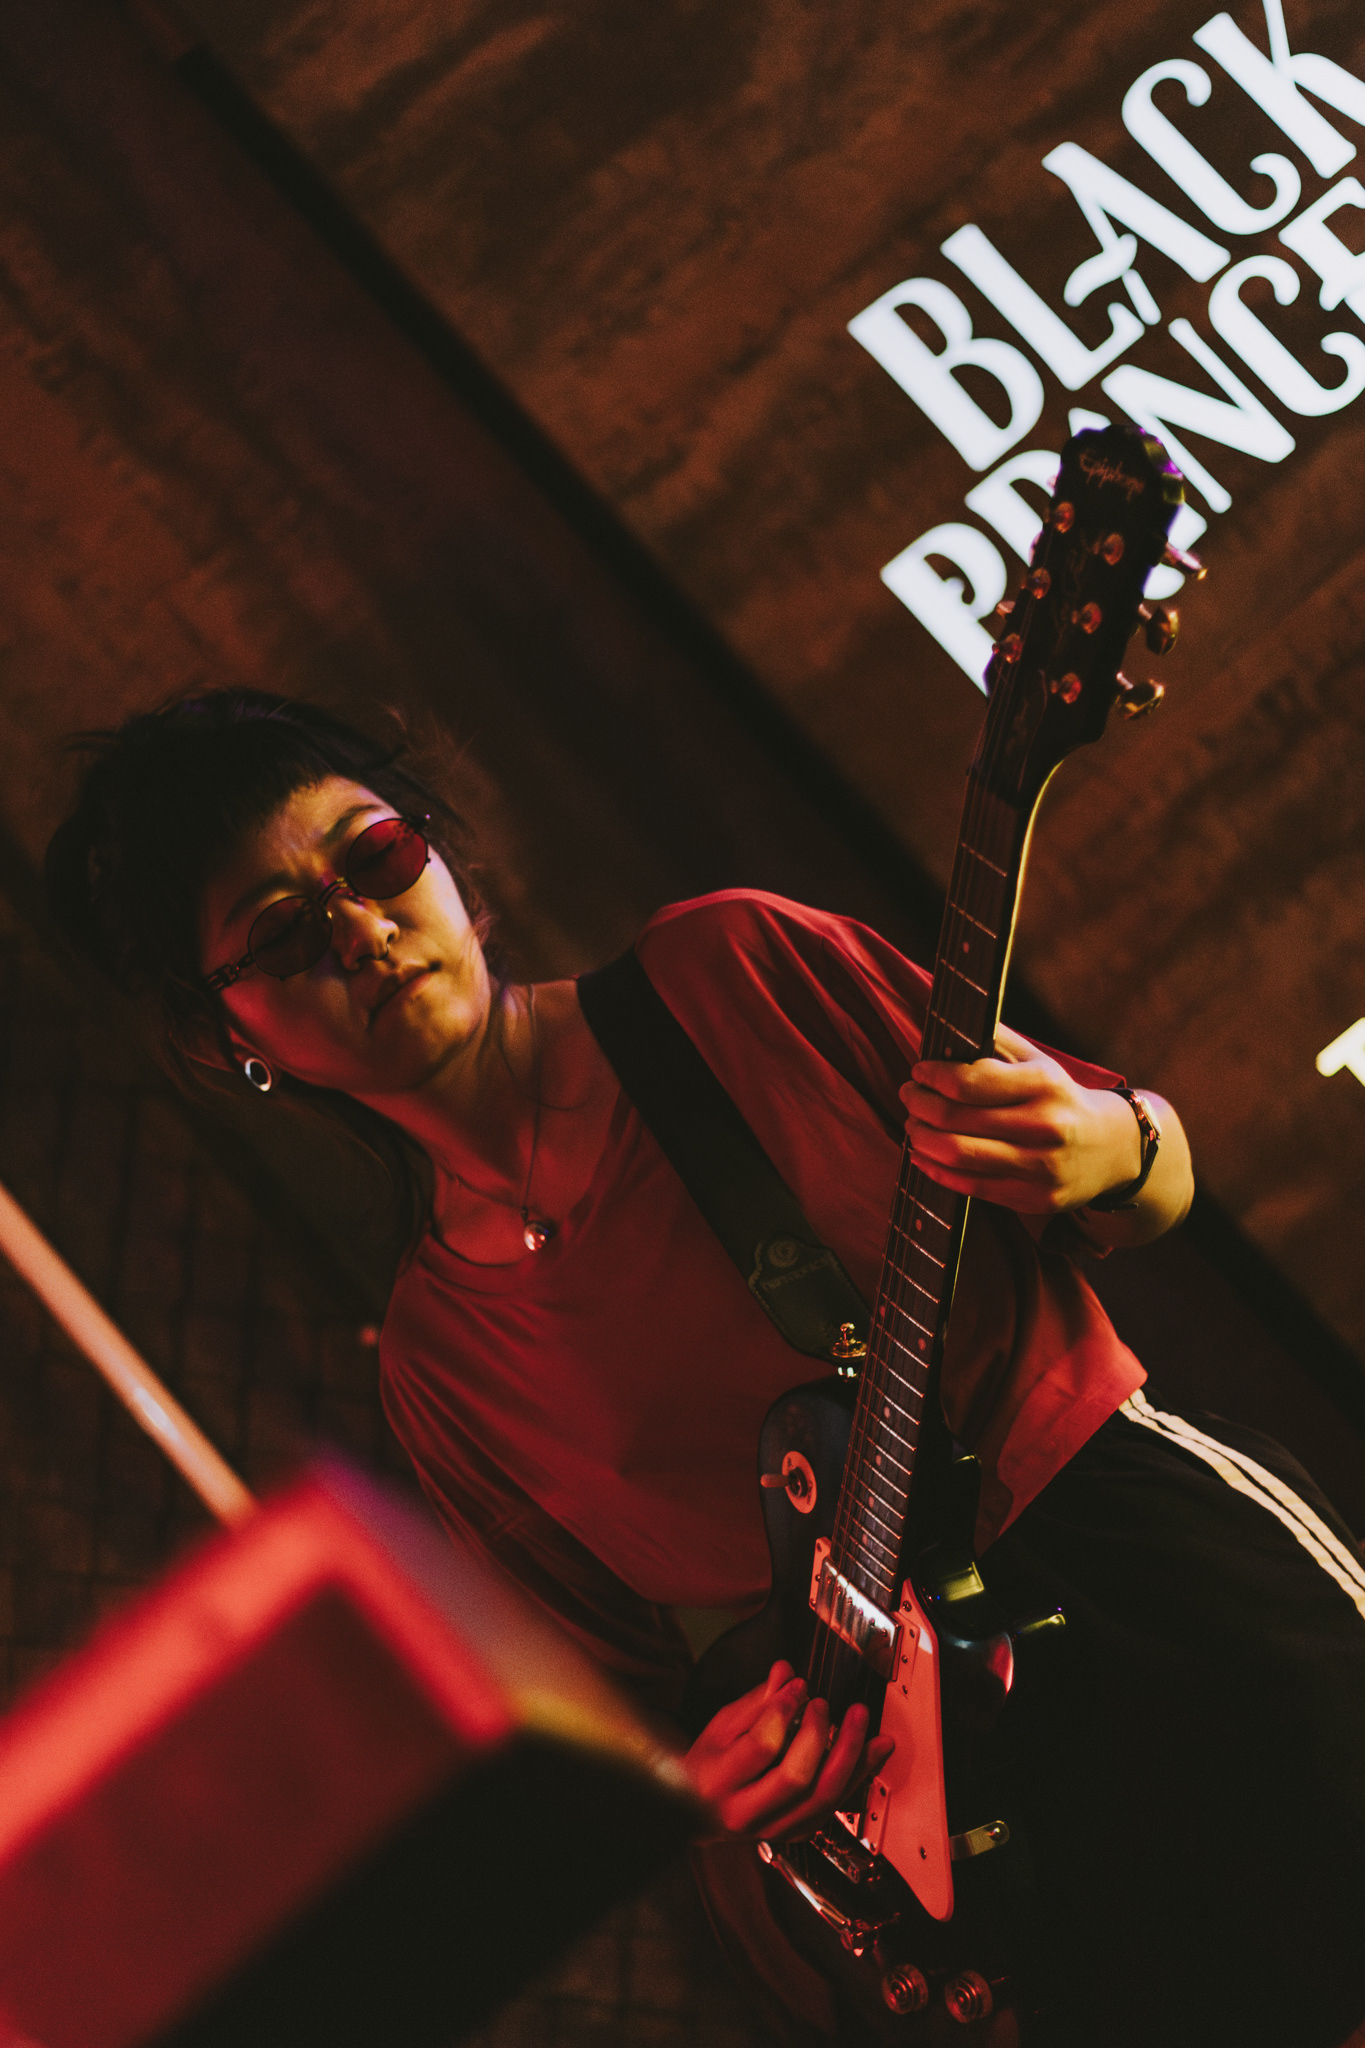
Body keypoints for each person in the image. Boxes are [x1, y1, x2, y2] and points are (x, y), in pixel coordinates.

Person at [46, 690, 1365, 2048]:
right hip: (957, 1802)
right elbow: (631, 1721)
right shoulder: (440, 1362)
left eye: (376, 859)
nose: (364, 932)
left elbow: (1147, 1175)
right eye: (283, 933)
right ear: (230, 1039)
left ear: (445, 861)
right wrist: (728, 1778)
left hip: (1140, 1553)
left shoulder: (727, 967)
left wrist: (1109, 1143)